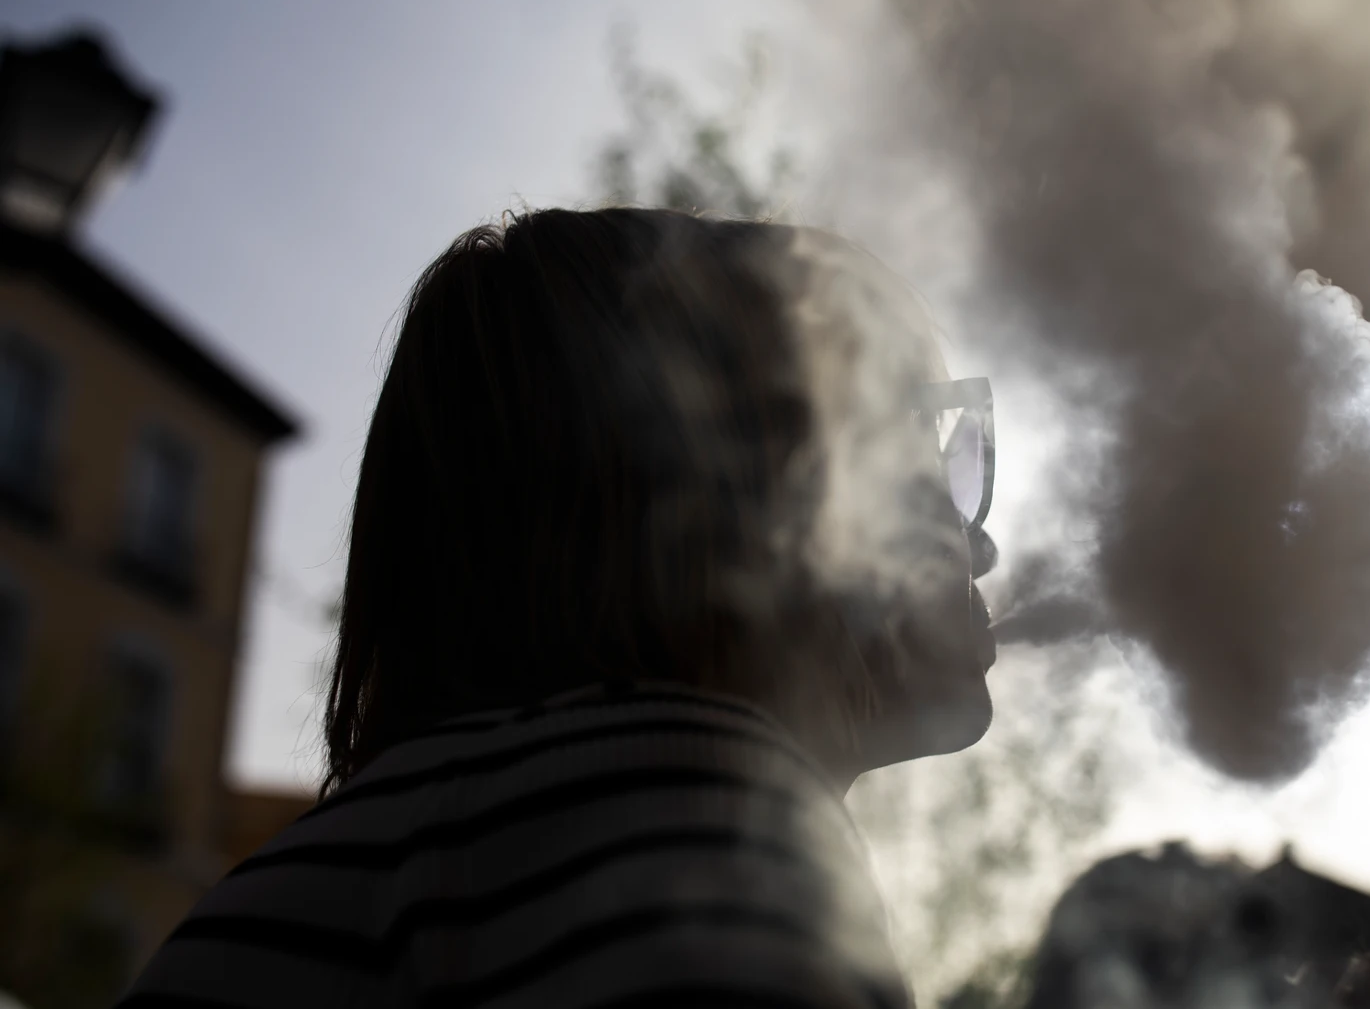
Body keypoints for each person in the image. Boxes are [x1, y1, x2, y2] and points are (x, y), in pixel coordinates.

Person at [119, 208, 1000, 1008]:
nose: (980, 542)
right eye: (933, 444)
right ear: (787, 486)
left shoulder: (419, 855)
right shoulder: (691, 831)